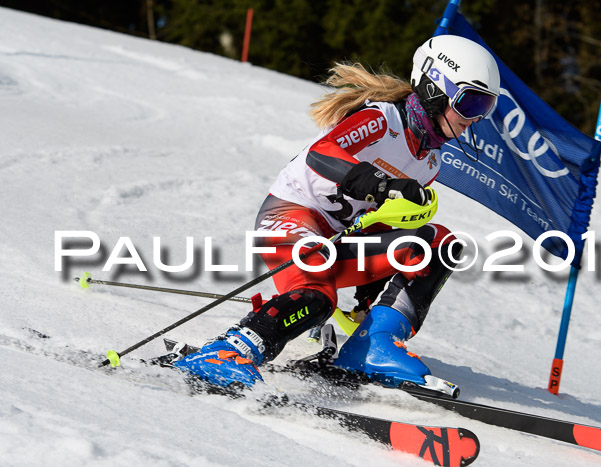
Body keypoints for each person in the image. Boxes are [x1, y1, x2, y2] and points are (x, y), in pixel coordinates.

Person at [173, 35, 500, 390]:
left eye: (487, 107)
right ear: (436, 88)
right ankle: (227, 352)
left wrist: (367, 299)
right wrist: (382, 183)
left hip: (339, 239)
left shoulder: (430, 160)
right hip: (291, 216)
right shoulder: (381, 119)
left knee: (438, 244)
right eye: (472, 102)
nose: (476, 118)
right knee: (318, 298)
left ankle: (373, 345)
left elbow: (383, 224)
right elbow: (323, 154)